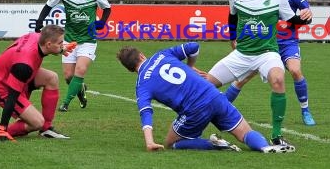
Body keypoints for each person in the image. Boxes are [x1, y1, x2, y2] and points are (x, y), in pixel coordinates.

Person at [205, 0, 312, 147]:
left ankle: (277, 135)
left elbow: (292, 20)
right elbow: (232, 17)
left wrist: (305, 18)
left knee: (278, 79)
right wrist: (232, 38)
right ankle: (192, 124)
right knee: (204, 86)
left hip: (267, 53)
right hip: (242, 54)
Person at [116, 42, 295, 153]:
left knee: (172, 143)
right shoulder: (162, 54)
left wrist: (149, 142)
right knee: (245, 134)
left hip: (194, 109)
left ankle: (214, 144)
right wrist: (191, 66)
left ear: (129, 69)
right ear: (141, 55)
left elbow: (146, 113)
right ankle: (265, 147)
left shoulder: (142, 85)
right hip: (213, 94)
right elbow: (193, 46)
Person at [35, 0, 111, 112]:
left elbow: (107, 8)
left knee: (80, 70)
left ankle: (65, 103)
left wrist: (102, 22)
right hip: (69, 38)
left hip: (88, 39)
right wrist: (39, 22)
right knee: (69, 76)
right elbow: (48, 6)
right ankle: (80, 89)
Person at [0, 25, 72, 142]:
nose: (63, 45)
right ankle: (4, 130)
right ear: (48, 44)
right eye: (60, 43)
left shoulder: (37, 37)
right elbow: (11, 97)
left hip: (13, 72)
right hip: (0, 85)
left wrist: (60, 49)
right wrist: (3, 127)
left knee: (52, 78)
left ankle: (46, 129)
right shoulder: (24, 65)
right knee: (37, 122)